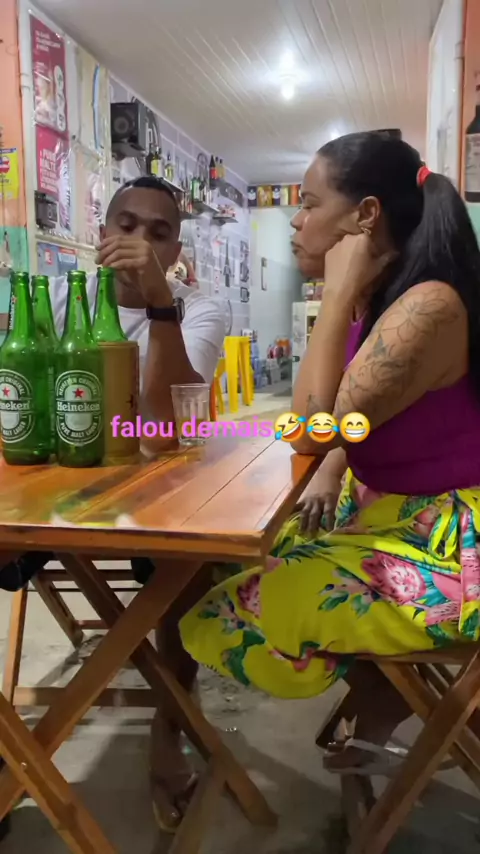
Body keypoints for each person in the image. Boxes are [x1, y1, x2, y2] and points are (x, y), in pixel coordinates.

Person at [179, 131, 480, 779]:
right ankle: (381, 688)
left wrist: (337, 295)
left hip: (452, 543)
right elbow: (364, 419)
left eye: (310, 203)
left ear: (365, 216)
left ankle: (384, 691)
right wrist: (335, 469)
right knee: (236, 553)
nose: (296, 220)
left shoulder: (426, 306)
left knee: (231, 612)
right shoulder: (393, 297)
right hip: (393, 511)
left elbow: (310, 429)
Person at [0, 175, 227, 827]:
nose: (140, 241)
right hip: (52, 493)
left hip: (155, 494)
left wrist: (159, 304)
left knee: (189, 564)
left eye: (159, 233)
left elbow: (166, 426)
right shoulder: (57, 300)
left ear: (176, 249)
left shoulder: (199, 308)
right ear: (102, 233)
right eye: (127, 225)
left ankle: (170, 727)